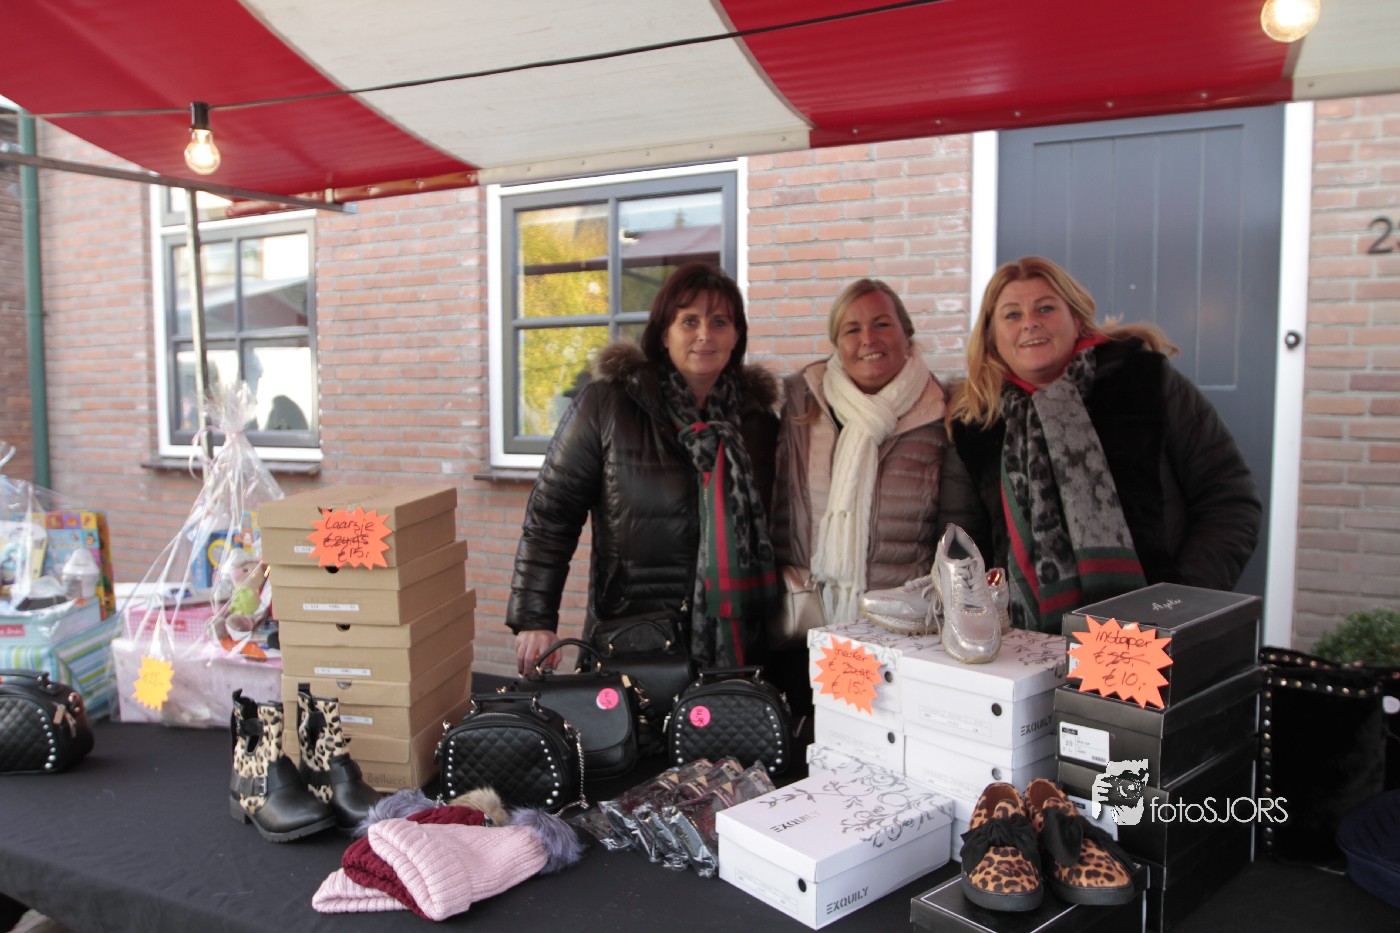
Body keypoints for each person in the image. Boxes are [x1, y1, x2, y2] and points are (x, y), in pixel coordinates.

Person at [944, 255, 1262, 632]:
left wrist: (1180, 601)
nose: (1030, 322)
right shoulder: (976, 423)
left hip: (1155, 637)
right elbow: (963, 547)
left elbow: (1229, 500)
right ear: (992, 337)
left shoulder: (1144, 383)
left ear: (1077, 319)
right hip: (1024, 646)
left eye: (1046, 308)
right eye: (1012, 314)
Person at [507, 263, 781, 675]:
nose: (705, 334)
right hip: (632, 637)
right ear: (664, 333)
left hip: (739, 641)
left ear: (736, 336)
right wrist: (535, 618)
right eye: (689, 321)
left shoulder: (758, 424)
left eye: (720, 322)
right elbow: (551, 517)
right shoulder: (608, 405)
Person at [771, 278, 979, 630]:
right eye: (852, 329)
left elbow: (957, 537)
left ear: (906, 334)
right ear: (837, 344)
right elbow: (779, 519)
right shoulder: (802, 408)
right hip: (811, 622)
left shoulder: (944, 414)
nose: (868, 339)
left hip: (906, 627)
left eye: (881, 324)